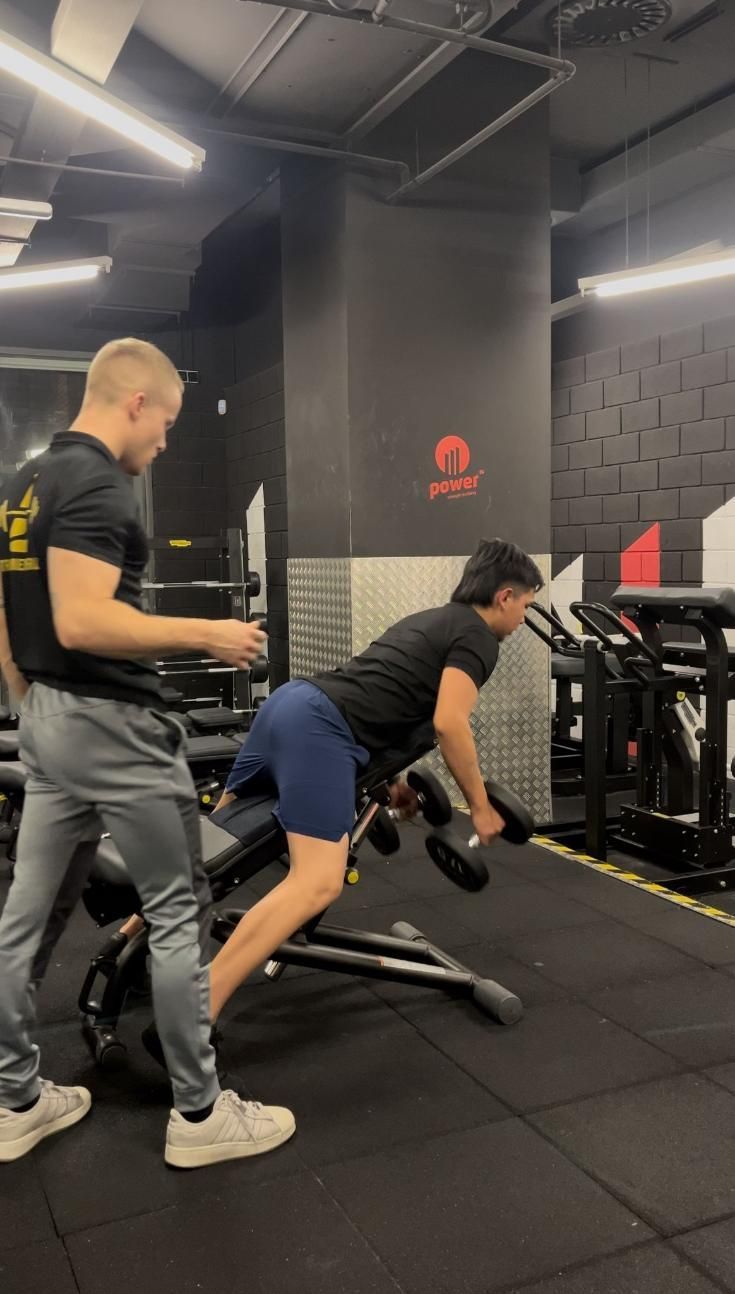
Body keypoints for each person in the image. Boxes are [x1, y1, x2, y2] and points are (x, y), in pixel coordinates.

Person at [0, 337, 295, 1167]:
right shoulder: (97, 483)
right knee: (177, 911)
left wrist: (30, 700)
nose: (164, 441)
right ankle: (199, 1118)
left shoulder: (23, 481)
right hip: (112, 725)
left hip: (49, 722)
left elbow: (7, 606)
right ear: (134, 402)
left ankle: (14, 1097)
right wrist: (210, 633)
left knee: (29, 916)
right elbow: (82, 620)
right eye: (165, 422)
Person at [145, 538, 541, 1045]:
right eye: (526, 606)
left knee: (218, 849)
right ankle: (187, 1025)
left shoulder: (432, 619)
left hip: (290, 705)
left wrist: (392, 784)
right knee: (318, 882)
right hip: (320, 731)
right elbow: (449, 723)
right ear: (505, 596)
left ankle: (134, 948)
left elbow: (383, 698)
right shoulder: (479, 638)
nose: (521, 620)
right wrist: (481, 809)